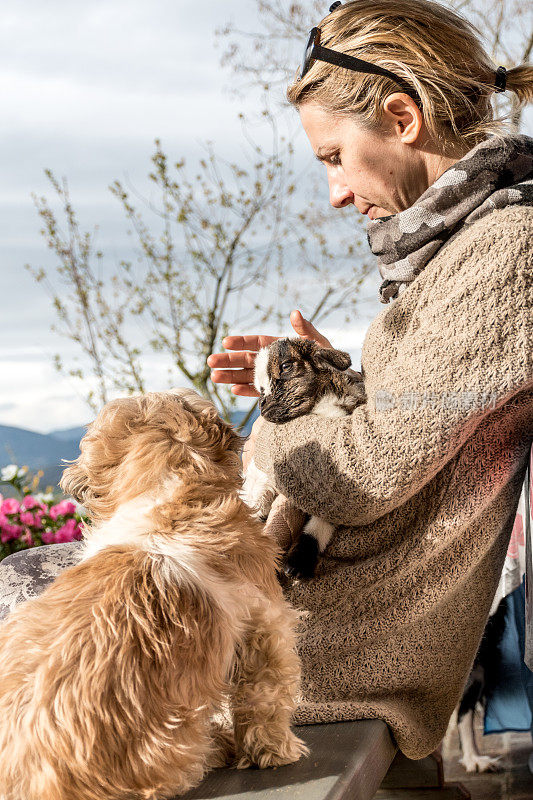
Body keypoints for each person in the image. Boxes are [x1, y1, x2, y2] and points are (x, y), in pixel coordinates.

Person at [208, 0, 533, 760]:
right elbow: (424, 427)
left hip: (329, 647)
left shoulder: (506, 249)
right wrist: (332, 383)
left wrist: (291, 394)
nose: (334, 193)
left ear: (400, 116)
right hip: (324, 619)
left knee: (24, 613)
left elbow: (361, 473)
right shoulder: (462, 248)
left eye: (332, 157)